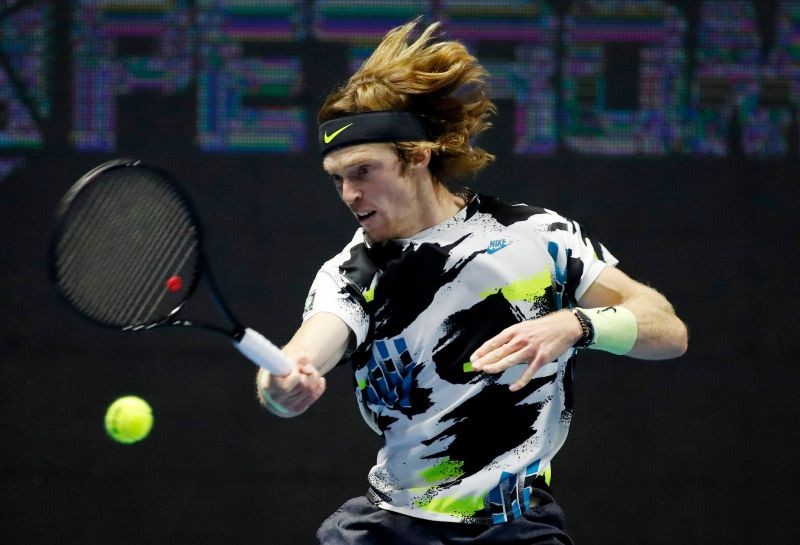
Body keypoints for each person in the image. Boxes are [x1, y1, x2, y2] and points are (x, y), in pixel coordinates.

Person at [255, 19, 688, 545]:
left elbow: (667, 330)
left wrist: (574, 324)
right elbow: (309, 349)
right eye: (338, 178)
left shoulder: (535, 235)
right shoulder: (352, 274)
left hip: (518, 527)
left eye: (363, 171)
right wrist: (281, 385)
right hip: (391, 529)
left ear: (417, 155)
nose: (348, 193)